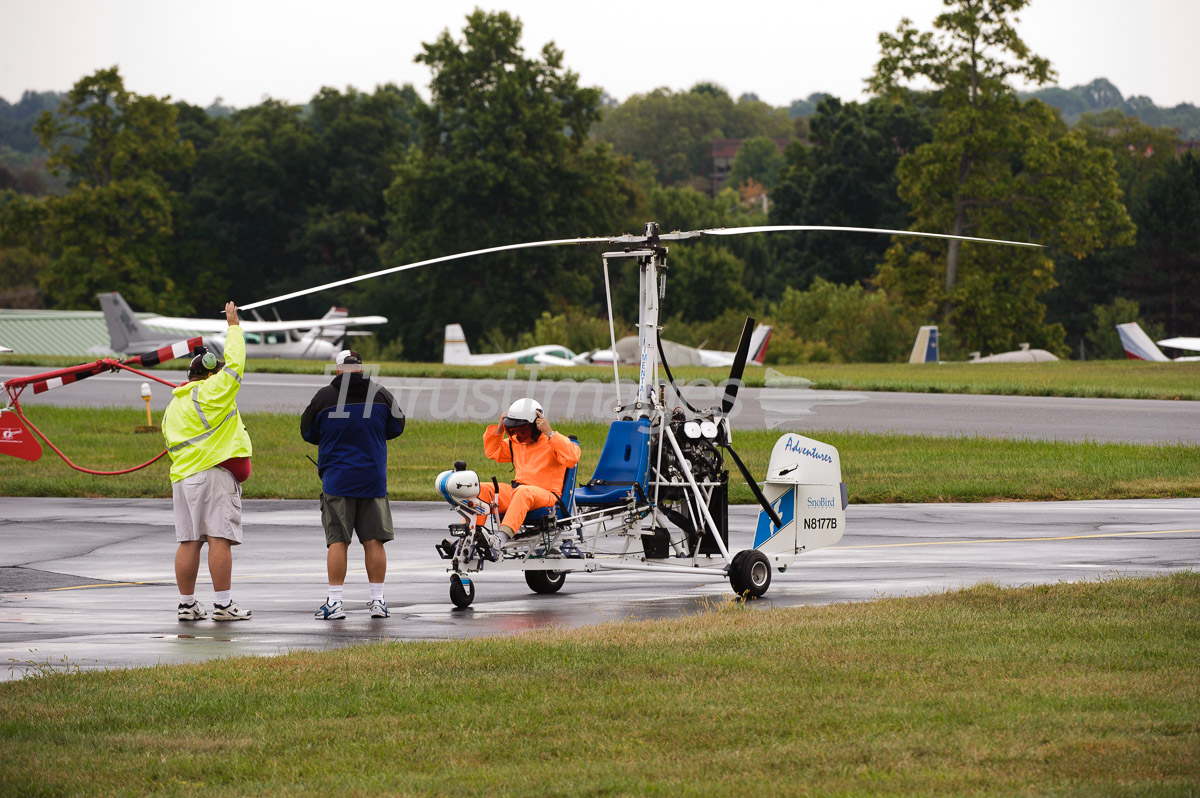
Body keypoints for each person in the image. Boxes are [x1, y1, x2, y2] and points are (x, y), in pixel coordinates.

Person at [163, 301, 253, 622]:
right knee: (219, 539)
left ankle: (187, 605)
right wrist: (233, 326)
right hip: (213, 475)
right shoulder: (213, 392)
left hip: (183, 480)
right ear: (211, 374)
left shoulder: (175, 405)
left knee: (189, 541)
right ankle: (224, 605)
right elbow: (236, 364)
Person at [301, 350, 405, 620]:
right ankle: (378, 601)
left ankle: (335, 603)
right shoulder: (380, 394)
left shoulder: (324, 397)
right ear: (361, 370)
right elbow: (397, 426)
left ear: (337, 371)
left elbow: (307, 431)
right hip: (372, 480)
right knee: (374, 541)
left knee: (338, 541)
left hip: (337, 481)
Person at [475, 398, 580, 559]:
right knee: (481, 489)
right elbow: (493, 451)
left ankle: (500, 539)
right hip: (519, 493)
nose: (519, 434)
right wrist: (499, 429)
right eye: (514, 429)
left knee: (523, 492)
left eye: (523, 429)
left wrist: (550, 433)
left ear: (537, 424)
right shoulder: (517, 442)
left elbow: (572, 457)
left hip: (547, 495)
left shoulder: (553, 441)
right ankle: (471, 538)